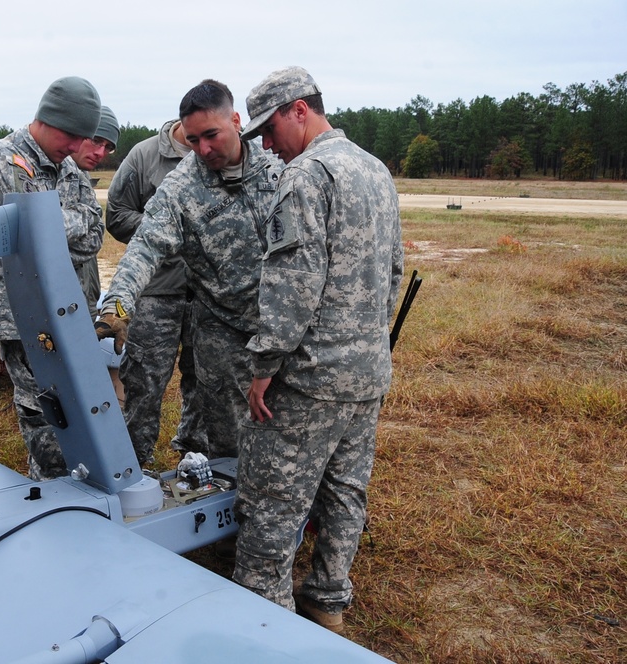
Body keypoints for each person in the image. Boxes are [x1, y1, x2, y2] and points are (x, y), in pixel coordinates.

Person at [231, 66, 404, 634]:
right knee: (345, 492)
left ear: (298, 111)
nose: (264, 146)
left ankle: (264, 620)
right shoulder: (375, 169)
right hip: (367, 374)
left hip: (307, 382)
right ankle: (328, 600)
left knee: (272, 500)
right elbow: (393, 273)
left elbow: (291, 285)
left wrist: (263, 367)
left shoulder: (306, 175)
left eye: (268, 130)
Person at [96, 79, 281, 460]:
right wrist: (118, 304)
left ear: (235, 119)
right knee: (227, 428)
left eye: (211, 135)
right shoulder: (182, 186)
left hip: (280, 319)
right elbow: (144, 246)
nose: (204, 150)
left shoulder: (277, 165)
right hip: (221, 322)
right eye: (194, 140)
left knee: (282, 419)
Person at [0, 76, 103, 480]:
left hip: (69, 310)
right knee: (45, 417)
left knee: (80, 410)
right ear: (49, 119)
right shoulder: (0, 158)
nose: (79, 148)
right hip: (24, 316)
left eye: (85, 138)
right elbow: (28, 233)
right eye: (73, 135)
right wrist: (62, 225)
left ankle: (72, 494)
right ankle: (52, 499)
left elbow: (94, 236)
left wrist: (50, 226)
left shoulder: (68, 169)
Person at [105, 118, 207, 465]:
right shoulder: (144, 156)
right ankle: (133, 462)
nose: (203, 145)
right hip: (156, 292)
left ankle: (196, 459)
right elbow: (116, 215)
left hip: (207, 294)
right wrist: (165, 228)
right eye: (196, 135)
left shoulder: (218, 155)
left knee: (204, 379)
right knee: (144, 381)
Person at [70, 105, 120, 318]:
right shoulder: (45, 176)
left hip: (86, 301)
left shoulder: (81, 177)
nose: (101, 153)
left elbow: (96, 236)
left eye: (108, 147)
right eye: (96, 140)